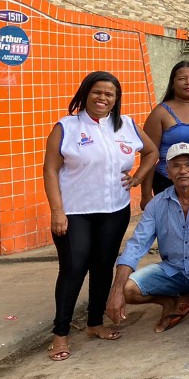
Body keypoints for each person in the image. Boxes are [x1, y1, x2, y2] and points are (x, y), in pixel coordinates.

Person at [43, 72, 159, 361]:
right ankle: (60, 334)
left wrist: (137, 178)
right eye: (97, 92)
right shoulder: (66, 127)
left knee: (103, 266)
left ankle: (95, 323)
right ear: (85, 93)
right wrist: (57, 211)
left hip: (114, 211)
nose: (102, 98)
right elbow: (50, 170)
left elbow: (152, 151)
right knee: (74, 268)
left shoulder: (126, 125)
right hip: (75, 212)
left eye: (109, 94)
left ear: (116, 99)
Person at [106, 142, 189, 332]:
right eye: (176, 166)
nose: (183, 171)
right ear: (167, 172)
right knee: (127, 290)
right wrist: (116, 290)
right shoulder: (157, 204)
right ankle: (170, 301)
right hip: (172, 269)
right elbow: (136, 245)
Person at [141, 61, 189, 207]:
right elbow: (148, 154)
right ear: (172, 83)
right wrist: (146, 194)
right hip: (169, 183)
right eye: (182, 79)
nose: (188, 82)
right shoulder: (160, 113)